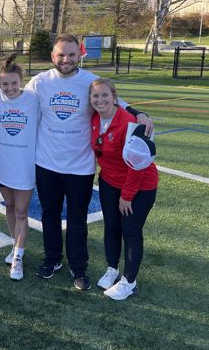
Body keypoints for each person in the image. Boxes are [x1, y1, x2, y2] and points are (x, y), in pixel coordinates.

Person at [27, 34, 153, 290]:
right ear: (52, 56)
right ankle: (52, 259)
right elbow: (14, 98)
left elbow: (117, 102)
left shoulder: (89, 81)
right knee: (49, 214)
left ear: (79, 55)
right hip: (47, 163)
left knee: (77, 218)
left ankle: (78, 266)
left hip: (80, 166)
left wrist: (140, 113)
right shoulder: (40, 82)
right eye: (61, 54)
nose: (66, 59)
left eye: (71, 54)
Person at [89, 78, 158, 300]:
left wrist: (127, 197)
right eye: (95, 96)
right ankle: (112, 269)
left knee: (130, 231)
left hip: (139, 185)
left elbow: (137, 165)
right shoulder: (94, 118)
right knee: (111, 227)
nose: (100, 100)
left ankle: (129, 282)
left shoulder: (130, 123)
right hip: (109, 182)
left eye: (105, 95)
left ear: (115, 98)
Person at [0, 54, 39, 281]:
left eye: (14, 83)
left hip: (25, 166)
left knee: (21, 212)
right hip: (3, 164)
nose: (9, 88)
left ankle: (18, 258)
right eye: (5, 84)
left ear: (21, 81)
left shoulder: (33, 99)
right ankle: (15, 245)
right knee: (9, 207)